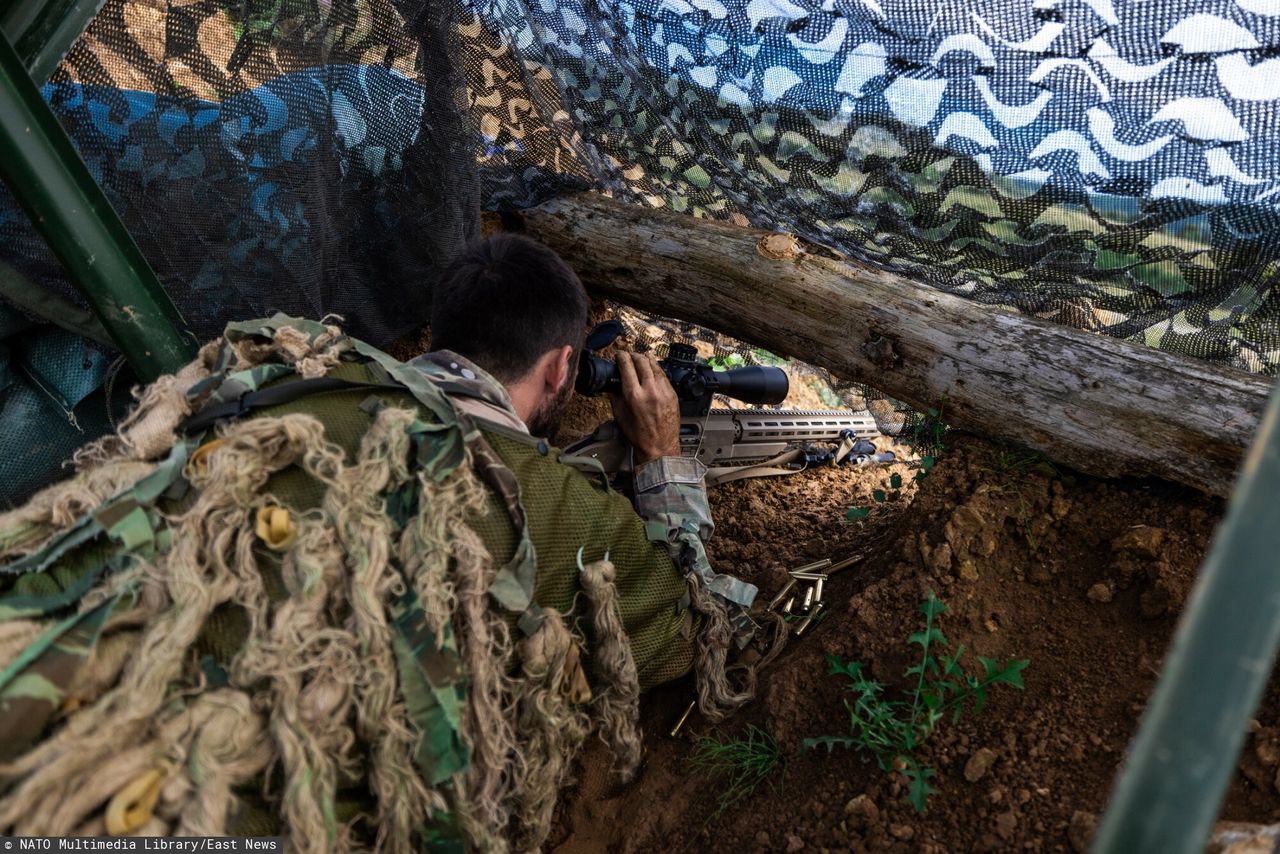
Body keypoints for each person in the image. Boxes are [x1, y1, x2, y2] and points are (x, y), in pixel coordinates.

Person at [0, 233, 762, 852]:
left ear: (440, 334)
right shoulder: (562, 515)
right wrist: (662, 462)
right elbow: (693, 634)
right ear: (566, 367)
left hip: (40, 670)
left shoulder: (292, 372)